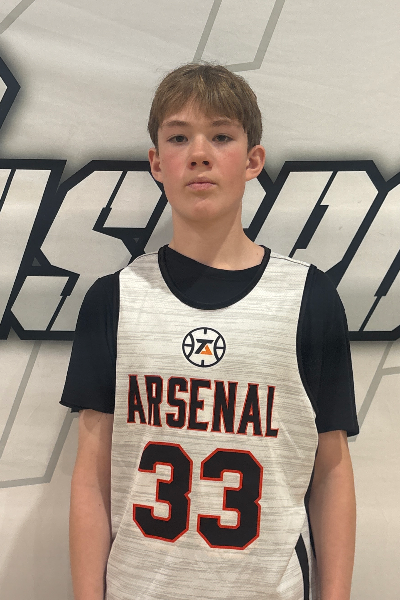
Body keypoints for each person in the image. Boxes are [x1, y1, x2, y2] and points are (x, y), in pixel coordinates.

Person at [60, 62, 359, 600]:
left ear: (253, 160)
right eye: (179, 137)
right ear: (157, 162)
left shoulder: (308, 299)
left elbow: (331, 470)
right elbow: (91, 478)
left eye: (221, 136)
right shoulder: (114, 299)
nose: (199, 153)